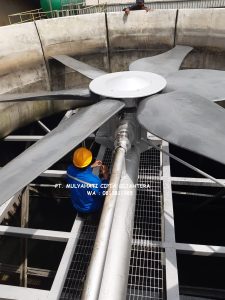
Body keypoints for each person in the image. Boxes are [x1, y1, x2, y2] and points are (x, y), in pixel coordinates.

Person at [67, 147, 109, 219]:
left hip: (77, 205)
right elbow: (103, 193)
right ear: (89, 161)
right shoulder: (93, 180)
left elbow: (79, 173)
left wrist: (91, 166)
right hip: (91, 208)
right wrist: (106, 175)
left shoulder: (69, 170)